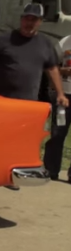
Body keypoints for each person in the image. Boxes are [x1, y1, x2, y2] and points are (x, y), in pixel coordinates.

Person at [0, 3, 69, 188]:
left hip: (27, 102)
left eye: (34, 20)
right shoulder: (4, 40)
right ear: (21, 19)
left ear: (40, 22)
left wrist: (60, 93)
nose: (30, 23)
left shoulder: (45, 44)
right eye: (27, 18)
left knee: (19, 140)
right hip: (0, 99)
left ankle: (11, 176)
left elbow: (52, 68)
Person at [44, 33, 71, 182]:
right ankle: (51, 170)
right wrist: (62, 72)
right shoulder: (65, 42)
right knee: (57, 133)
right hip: (64, 95)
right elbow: (51, 65)